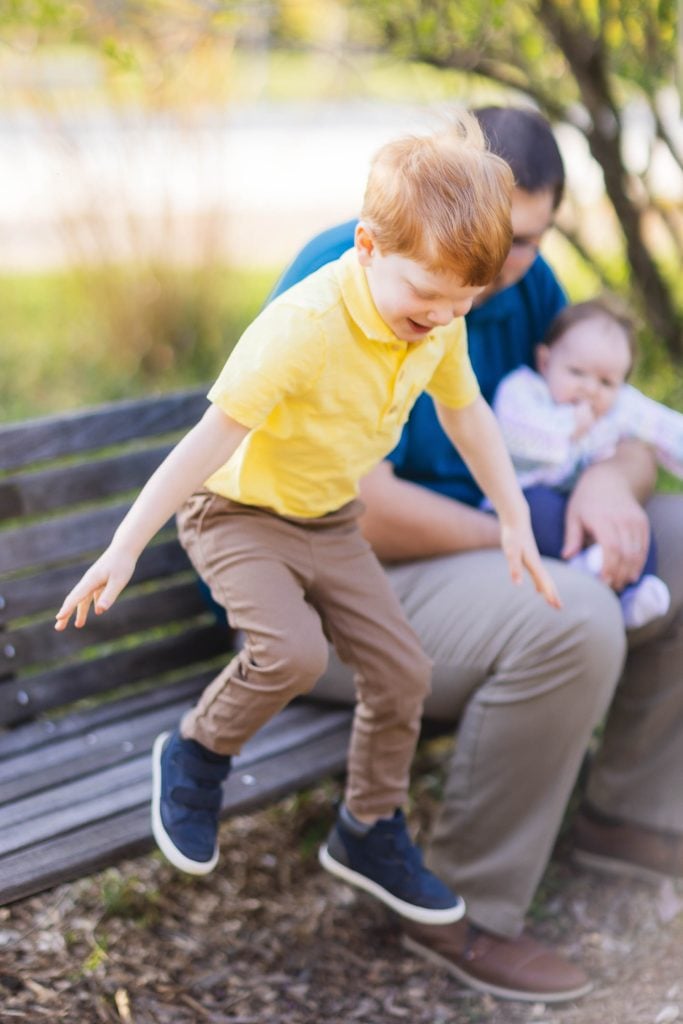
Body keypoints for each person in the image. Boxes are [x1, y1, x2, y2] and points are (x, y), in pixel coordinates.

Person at [54, 115, 560, 929]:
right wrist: (123, 545)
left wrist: (511, 518)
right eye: (424, 296)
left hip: (329, 517)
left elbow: (468, 418)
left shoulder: (438, 322)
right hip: (236, 515)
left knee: (403, 671)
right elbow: (210, 436)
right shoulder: (305, 325)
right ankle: (195, 751)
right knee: (290, 652)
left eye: (458, 302)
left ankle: (367, 828)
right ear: (366, 246)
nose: (438, 317)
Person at [269, 106, 683, 1003]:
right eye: (496, 233)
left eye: (527, 238)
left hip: (467, 556)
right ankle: (457, 906)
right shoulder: (348, 275)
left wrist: (611, 479)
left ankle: (627, 819)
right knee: (571, 612)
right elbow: (357, 508)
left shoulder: (522, 284)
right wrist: (530, 533)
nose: (503, 263)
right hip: (321, 591)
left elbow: (616, 414)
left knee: (674, 542)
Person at [493, 297, 683, 628]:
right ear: (545, 360)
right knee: (539, 511)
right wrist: (570, 426)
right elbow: (512, 433)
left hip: (583, 501)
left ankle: (635, 592)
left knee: (631, 525)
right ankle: (580, 567)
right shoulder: (524, 391)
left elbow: (665, 429)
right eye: (577, 372)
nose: (591, 388)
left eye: (607, 382)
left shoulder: (618, 407)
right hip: (522, 496)